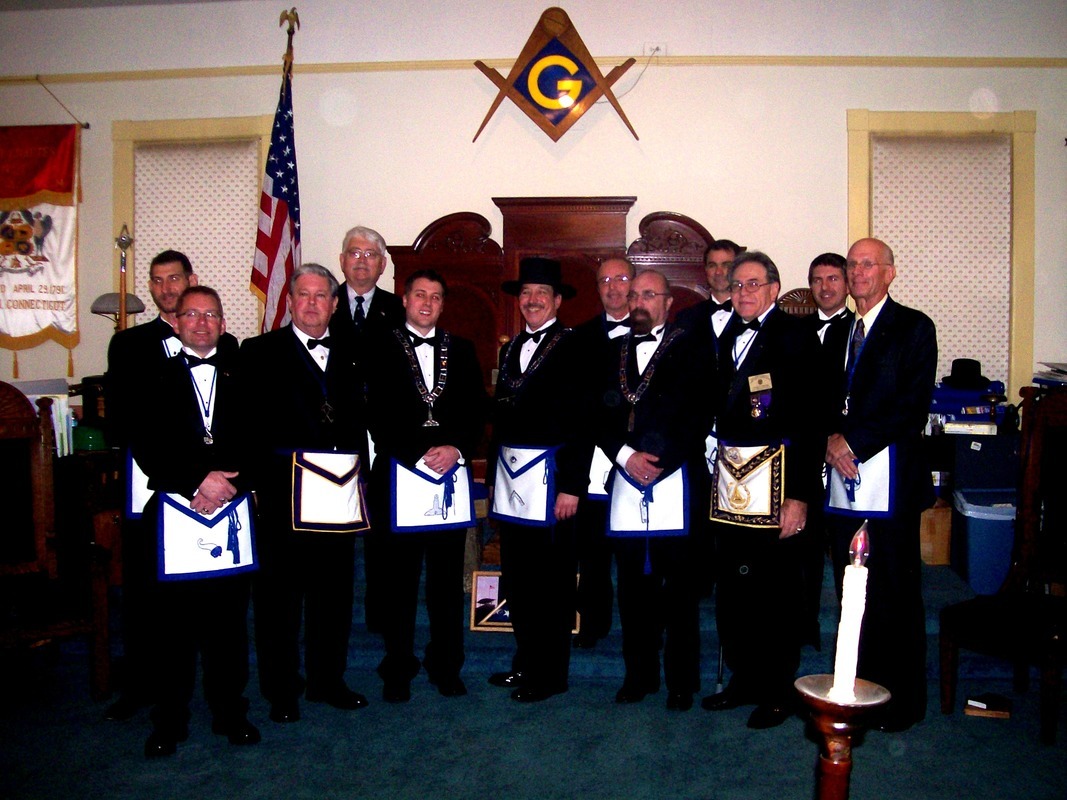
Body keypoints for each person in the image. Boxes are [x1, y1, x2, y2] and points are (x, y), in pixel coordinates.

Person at [103, 249, 238, 722]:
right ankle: (148, 690)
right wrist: (189, 479)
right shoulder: (131, 345)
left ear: (190, 280)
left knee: (220, 606)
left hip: (221, 492)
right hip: (154, 487)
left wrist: (219, 482)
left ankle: (224, 701)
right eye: (157, 281)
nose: (166, 288)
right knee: (149, 598)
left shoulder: (230, 349)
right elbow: (129, 424)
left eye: (175, 279)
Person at [131, 285, 259, 757]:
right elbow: (147, 446)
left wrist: (227, 485)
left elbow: (261, 441)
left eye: (210, 315)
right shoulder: (152, 377)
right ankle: (169, 719)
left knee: (228, 624)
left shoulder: (247, 376)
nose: (201, 323)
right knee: (171, 629)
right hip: (173, 512)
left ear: (223, 325)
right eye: (191, 314)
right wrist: (196, 482)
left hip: (231, 511)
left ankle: (230, 712)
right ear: (177, 322)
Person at [241, 263, 371, 724]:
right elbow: (247, 426)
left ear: (335, 304)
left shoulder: (354, 351)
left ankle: (327, 680)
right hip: (283, 494)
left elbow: (359, 422)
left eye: (321, 296)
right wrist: (255, 486)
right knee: (279, 600)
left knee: (333, 595)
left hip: (338, 493)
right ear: (290, 301)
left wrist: (362, 482)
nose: (312, 303)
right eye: (304, 294)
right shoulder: (259, 352)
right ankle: (281, 690)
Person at [702, 251, 820, 729]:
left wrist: (799, 495)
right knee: (735, 586)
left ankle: (777, 689)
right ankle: (744, 678)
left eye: (753, 284)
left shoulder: (797, 336)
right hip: (731, 480)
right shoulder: (724, 335)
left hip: (777, 479)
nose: (744, 292)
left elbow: (810, 421)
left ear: (774, 288)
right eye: (737, 285)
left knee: (775, 590)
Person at [825, 237, 937, 733]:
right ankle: (856, 686)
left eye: (868, 264)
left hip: (889, 480)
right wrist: (830, 441)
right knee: (850, 590)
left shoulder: (914, 327)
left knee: (894, 593)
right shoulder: (838, 333)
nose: (858, 272)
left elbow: (911, 406)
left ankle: (901, 702)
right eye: (852, 264)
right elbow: (821, 399)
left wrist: (852, 443)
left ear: (890, 273)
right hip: (840, 481)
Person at [364, 269, 488, 703]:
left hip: (449, 478)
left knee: (445, 584)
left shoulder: (462, 348)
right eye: (420, 294)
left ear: (442, 304)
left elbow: (476, 411)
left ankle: (446, 665)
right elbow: (376, 414)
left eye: (436, 297)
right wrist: (418, 455)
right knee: (398, 583)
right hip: (400, 476)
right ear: (405, 299)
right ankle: (398, 668)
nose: (427, 303)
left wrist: (456, 448)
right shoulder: (379, 345)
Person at [596, 269, 713, 711]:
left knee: (680, 593)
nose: (639, 301)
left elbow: (698, 415)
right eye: (634, 295)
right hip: (626, 480)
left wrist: (660, 463)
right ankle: (638, 675)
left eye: (649, 294)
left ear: (668, 302)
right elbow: (597, 415)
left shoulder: (694, 348)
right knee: (632, 590)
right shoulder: (611, 352)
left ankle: (682, 682)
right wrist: (626, 457)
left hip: (677, 480)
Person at [487, 257, 590, 702]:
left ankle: (551, 674)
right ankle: (526, 662)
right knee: (519, 578)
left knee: (551, 582)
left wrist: (572, 485)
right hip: (512, 482)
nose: (532, 300)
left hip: (553, 482)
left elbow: (584, 422)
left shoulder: (575, 346)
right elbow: (502, 418)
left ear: (558, 300)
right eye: (526, 293)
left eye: (541, 294)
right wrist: (493, 479)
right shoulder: (510, 348)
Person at [328, 225, 405, 635]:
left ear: (383, 264)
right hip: (335, 436)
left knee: (384, 528)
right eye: (354, 253)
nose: (362, 261)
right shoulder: (323, 303)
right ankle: (335, 620)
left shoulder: (399, 309)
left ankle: (382, 615)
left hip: (386, 433)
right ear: (342, 261)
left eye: (370, 254)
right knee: (337, 534)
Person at [568, 256, 634, 649]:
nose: (613, 287)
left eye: (620, 278)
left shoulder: (656, 333)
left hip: (639, 457)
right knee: (591, 550)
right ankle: (592, 623)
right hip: (593, 458)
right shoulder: (580, 337)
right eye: (604, 280)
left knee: (635, 554)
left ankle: (643, 628)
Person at [797, 252, 854, 649]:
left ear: (847, 284)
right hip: (804, 450)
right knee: (805, 542)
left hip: (844, 450)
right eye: (817, 280)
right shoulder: (795, 330)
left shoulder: (860, 331)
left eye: (833, 279)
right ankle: (805, 624)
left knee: (847, 547)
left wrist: (837, 441)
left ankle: (851, 632)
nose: (825, 287)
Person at [675, 238, 746, 343]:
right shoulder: (686, 318)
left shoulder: (751, 314)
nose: (718, 272)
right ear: (706, 269)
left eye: (726, 265)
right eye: (712, 265)